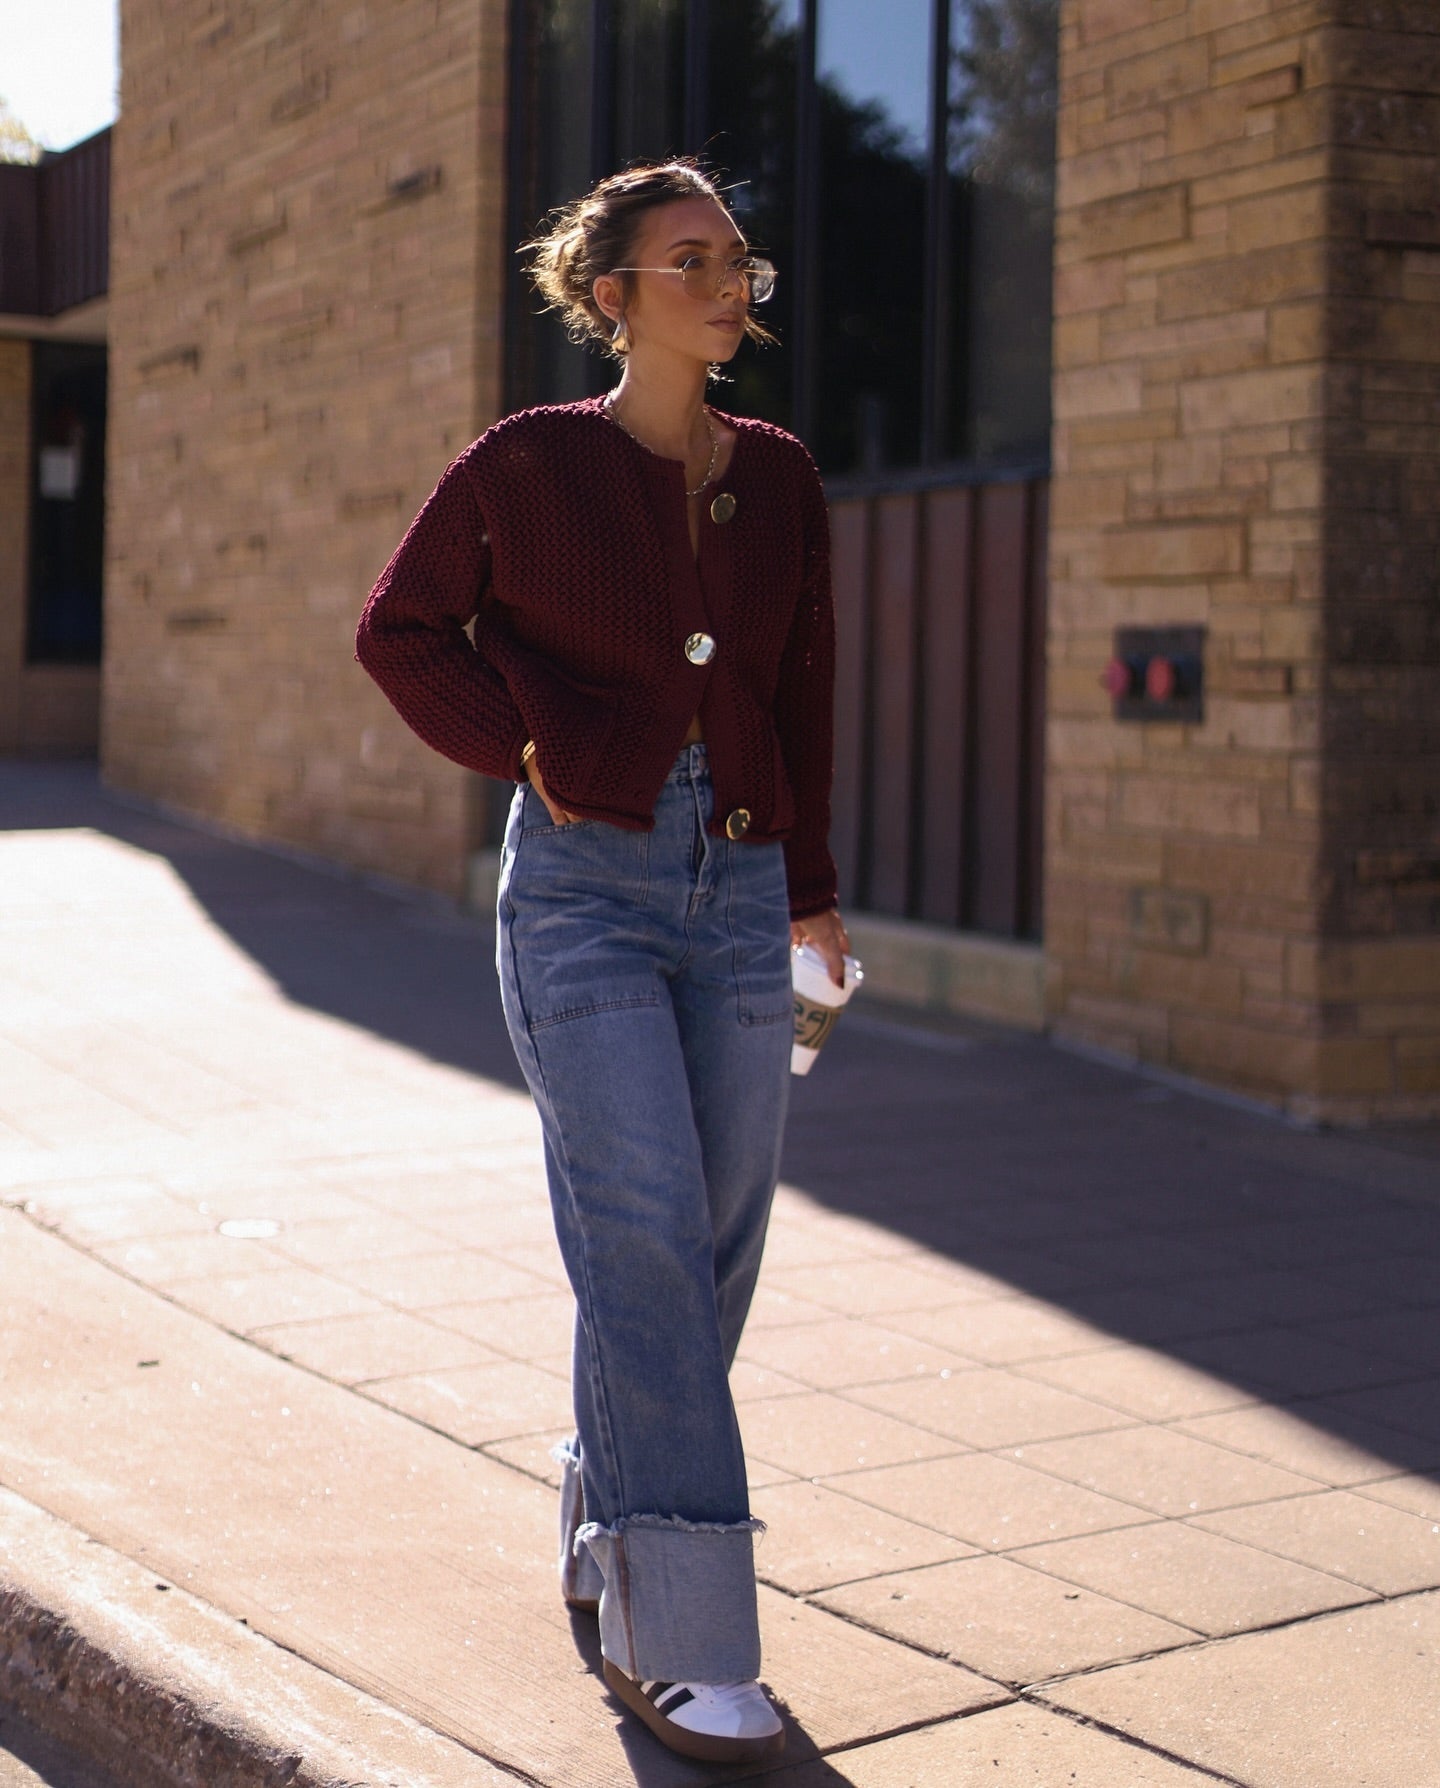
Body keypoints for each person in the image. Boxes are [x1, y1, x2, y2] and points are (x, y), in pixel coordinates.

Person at [354, 160, 847, 1766]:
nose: (729, 281)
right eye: (690, 259)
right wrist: (521, 747)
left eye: (739, 259)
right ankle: (687, 1638)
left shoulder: (778, 479)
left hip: (745, 877)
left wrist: (815, 894)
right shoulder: (526, 466)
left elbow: (805, 694)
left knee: (709, 1239)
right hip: (584, 883)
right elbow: (400, 631)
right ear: (611, 292)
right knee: (636, 1225)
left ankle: (603, 1497)